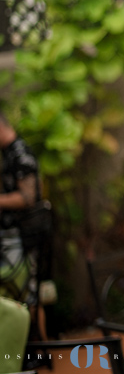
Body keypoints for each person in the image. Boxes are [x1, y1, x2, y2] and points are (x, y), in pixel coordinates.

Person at [0, 112, 41, 304]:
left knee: (27, 293)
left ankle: (37, 334)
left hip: (23, 236)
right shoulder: (7, 153)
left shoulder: (20, 154)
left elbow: (27, 197)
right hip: (11, 235)